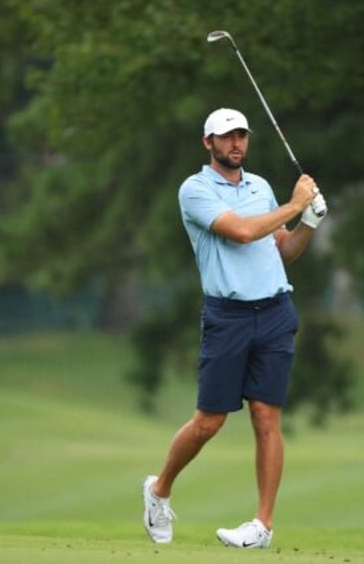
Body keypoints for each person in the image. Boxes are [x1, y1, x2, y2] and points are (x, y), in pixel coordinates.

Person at [141, 107, 328, 549]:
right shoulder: (195, 190)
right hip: (228, 316)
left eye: (241, 135)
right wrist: (295, 204)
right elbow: (242, 233)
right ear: (208, 142)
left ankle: (262, 525)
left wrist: (309, 222)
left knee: (267, 417)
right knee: (209, 422)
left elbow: (281, 251)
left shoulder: (260, 186)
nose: (235, 143)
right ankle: (159, 489)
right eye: (226, 137)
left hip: (276, 310)